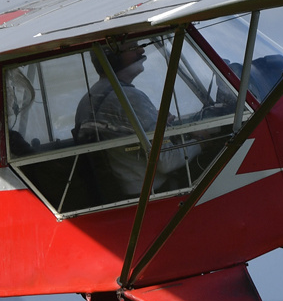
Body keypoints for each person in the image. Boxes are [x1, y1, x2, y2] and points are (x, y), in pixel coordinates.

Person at [73, 40, 199, 197]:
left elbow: (120, 129)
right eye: (132, 47)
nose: (141, 51)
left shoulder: (90, 98)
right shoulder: (129, 97)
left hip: (121, 192)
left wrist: (156, 122)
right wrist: (200, 141)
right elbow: (166, 162)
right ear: (112, 58)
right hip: (151, 194)